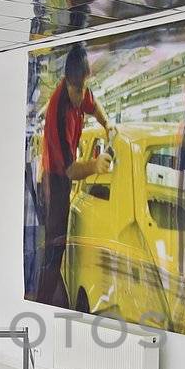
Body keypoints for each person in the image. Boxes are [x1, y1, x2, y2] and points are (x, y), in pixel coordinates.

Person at [34, 43, 114, 307]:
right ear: (68, 82)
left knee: (59, 242)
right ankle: (43, 298)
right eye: (77, 90)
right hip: (55, 180)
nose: (82, 96)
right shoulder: (58, 113)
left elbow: (93, 104)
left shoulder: (81, 91)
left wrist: (107, 124)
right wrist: (95, 165)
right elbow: (69, 171)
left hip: (63, 177)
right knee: (55, 242)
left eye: (84, 88)